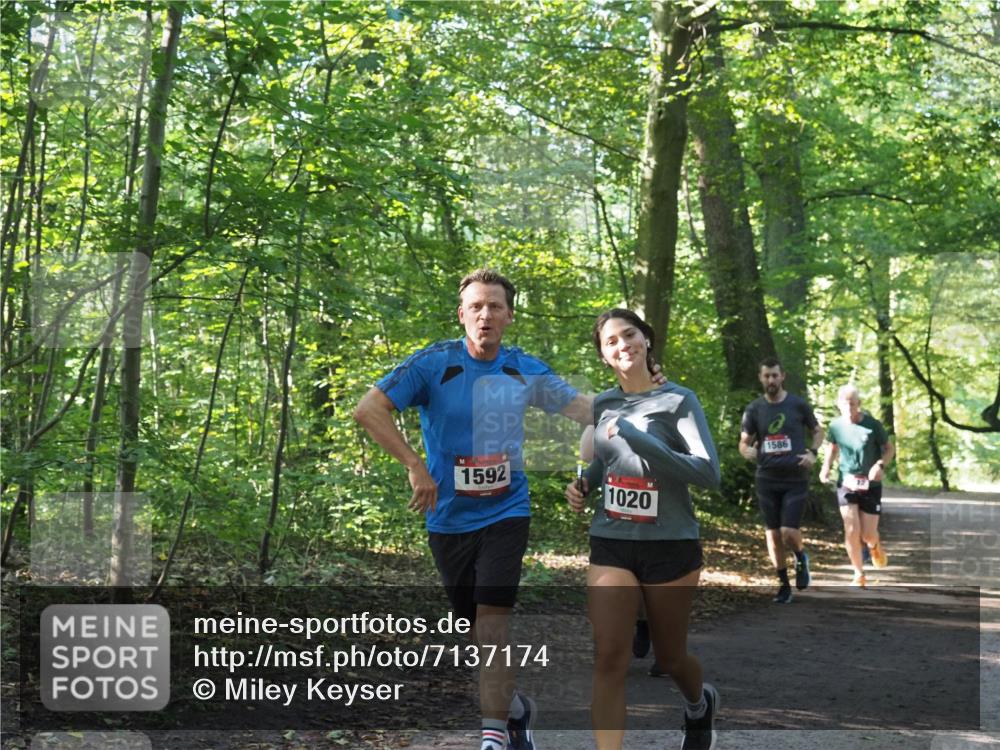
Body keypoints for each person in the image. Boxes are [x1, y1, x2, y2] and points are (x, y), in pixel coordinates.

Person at [355, 269, 614, 750]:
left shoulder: (522, 368)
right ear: (462, 314)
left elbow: (583, 408)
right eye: (476, 306)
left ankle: (492, 736)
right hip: (448, 517)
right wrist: (415, 465)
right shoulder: (434, 363)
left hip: (506, 512)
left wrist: (638, 393)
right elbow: (368, 408)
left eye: (495, 306)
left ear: (509, 315)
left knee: (493, 624)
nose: (485, 315)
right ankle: (515, 712)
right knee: (474, 630)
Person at [564, 309, 721, 750]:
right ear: (603, 355)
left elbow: (709, 474)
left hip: (670, 544)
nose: (621, 345)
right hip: (612, 541)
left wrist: (642, 437)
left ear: (646, 339)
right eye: (610, 341)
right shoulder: (604, 404)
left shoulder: (679, 401)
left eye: (628, 335)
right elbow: (605, 460)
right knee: (609, 658)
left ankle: (698, 702)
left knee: (671, 658)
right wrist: (584, 485)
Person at [739, 357, 824, 603]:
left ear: (782, 376)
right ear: (761, 378)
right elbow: (744, 441)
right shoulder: (754, 409)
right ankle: (784, 585)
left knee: (788, 531)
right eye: (767, 376)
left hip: (795, 477)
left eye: (775, 375)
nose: (771, 380)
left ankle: (800, 555)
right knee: (773, 534)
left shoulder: (798, 405)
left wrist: (813, 452)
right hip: (766, 477)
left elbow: (818, 431)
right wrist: (746, 451)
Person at [819, 384, 895, 587]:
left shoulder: (872, 425)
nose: (849, 408)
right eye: (845, 404)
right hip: (847, 481)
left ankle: (874, 544)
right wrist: (825, 468)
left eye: (853, 404)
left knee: (867, 534)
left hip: (871, 483)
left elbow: (889, 449)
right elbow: (832, 447)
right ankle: (858, 573)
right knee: (851, 528)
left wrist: (880, 464)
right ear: (839, 405)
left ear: (859, 404)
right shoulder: (835, 426)